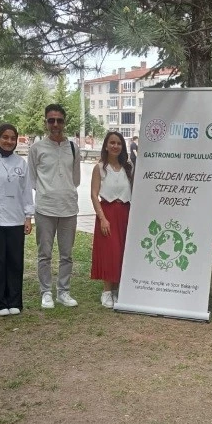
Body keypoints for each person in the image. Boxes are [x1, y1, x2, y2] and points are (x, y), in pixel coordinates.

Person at [0, 124, 35, 316]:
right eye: (5, 137)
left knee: (15, 262)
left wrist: (28, 216)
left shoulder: (21, 163)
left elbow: (26, 192)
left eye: (12, 138)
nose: (9, 141)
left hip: (16, 220)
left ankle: (14, 301)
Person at [28, 104, 81, 309]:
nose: (55, 124)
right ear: (46, 122)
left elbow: (75, 179)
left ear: (64, 122)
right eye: (51, 120)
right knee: (45, 254)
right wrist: (48, 192)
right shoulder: (37, 148)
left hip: (69, 207)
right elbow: (32, 179)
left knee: (67, 254)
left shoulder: (73, 148)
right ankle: (46, 292)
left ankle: (63, 292)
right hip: (45, 208)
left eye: (59, 120)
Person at [90, 131, 134, 307]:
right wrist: (102, 218)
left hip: (125, 212)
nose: (115, 146)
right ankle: (106, 291)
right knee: (110, 252)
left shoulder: (127, 167)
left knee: (121, 251)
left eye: (119, 143)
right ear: (106, 146)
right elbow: (94, 194)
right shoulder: (100, 168)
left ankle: (116, 290)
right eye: (112, 143)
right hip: (107, 213)